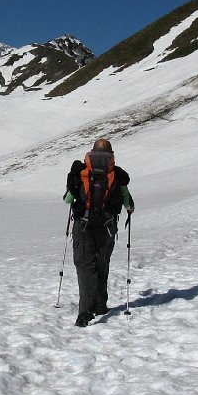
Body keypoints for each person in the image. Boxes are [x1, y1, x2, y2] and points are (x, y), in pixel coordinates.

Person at [63, 138, 134, 327]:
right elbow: (127, 200)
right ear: (111, 155)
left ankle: (85, 311)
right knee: (102, 264)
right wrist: (129, 208)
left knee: (86, 267)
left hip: (83, 227)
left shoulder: (82, 172)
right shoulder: (116, 175)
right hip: (107, 228)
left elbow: (68, 199)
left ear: (91, 152)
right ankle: (101, 305)